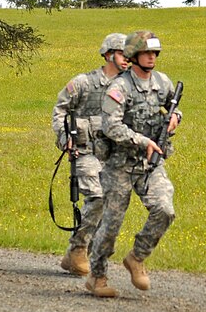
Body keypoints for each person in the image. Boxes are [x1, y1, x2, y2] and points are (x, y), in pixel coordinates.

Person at [85, 30, 181, 297]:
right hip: (119, 165)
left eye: (155, 53)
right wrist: (142, 141)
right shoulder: (118, 88)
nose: (152, 57)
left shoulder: (162, 83)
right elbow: (111, 126)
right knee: (111, 225)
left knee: (165, 209)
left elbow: (174, 107)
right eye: (147, 53)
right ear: (134, 55)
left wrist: (175, 119)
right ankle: (97, 276)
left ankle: (137, 257)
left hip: (150, 164)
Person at [51, 33, 128, 275]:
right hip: (84, 152)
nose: (128, 59)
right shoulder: (84, 83)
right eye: (123, 54)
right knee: (97, 197)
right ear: (108, 55)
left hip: (113, 156)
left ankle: (83, 255)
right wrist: (65, 138)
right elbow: (60, 110)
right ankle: (78, 248)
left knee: (111, 206)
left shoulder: (129, 87)